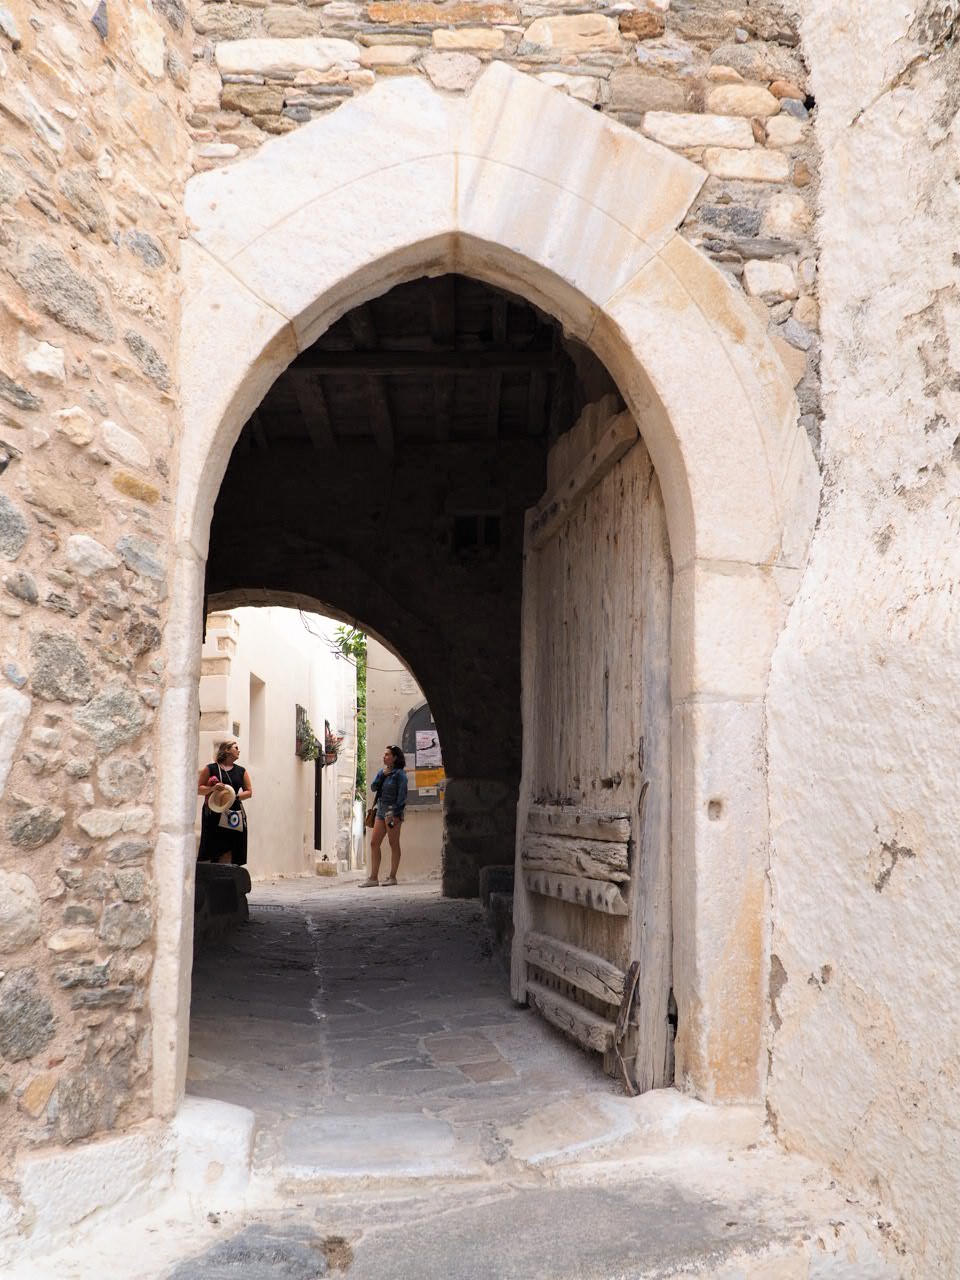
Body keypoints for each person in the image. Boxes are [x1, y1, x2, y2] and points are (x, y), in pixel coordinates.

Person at [197, 738, 253, 866]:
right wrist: (212, 788)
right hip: (214, 812)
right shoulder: (211, 768)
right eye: (236, 748)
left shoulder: (241, 771)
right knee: (214, 847)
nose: (239, 750)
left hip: (234, 813)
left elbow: (249, 792)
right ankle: (213, 878)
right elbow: (199, 789)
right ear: (227, 750)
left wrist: (235, 796)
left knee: (232, 845)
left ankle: (228, 878)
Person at [360, 745, 407, 887]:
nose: (384, 757)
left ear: (395, 757)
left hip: (392, 814)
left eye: (387, 754)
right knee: (374, 843)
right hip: (380, 813)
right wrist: (382, 775)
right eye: (384, 754)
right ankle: (373, 878)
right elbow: (373, 787)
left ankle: (392, 877)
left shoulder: (400, 775)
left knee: (393, 844)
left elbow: (402, 795)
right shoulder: (382, 772)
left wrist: (396, 812)